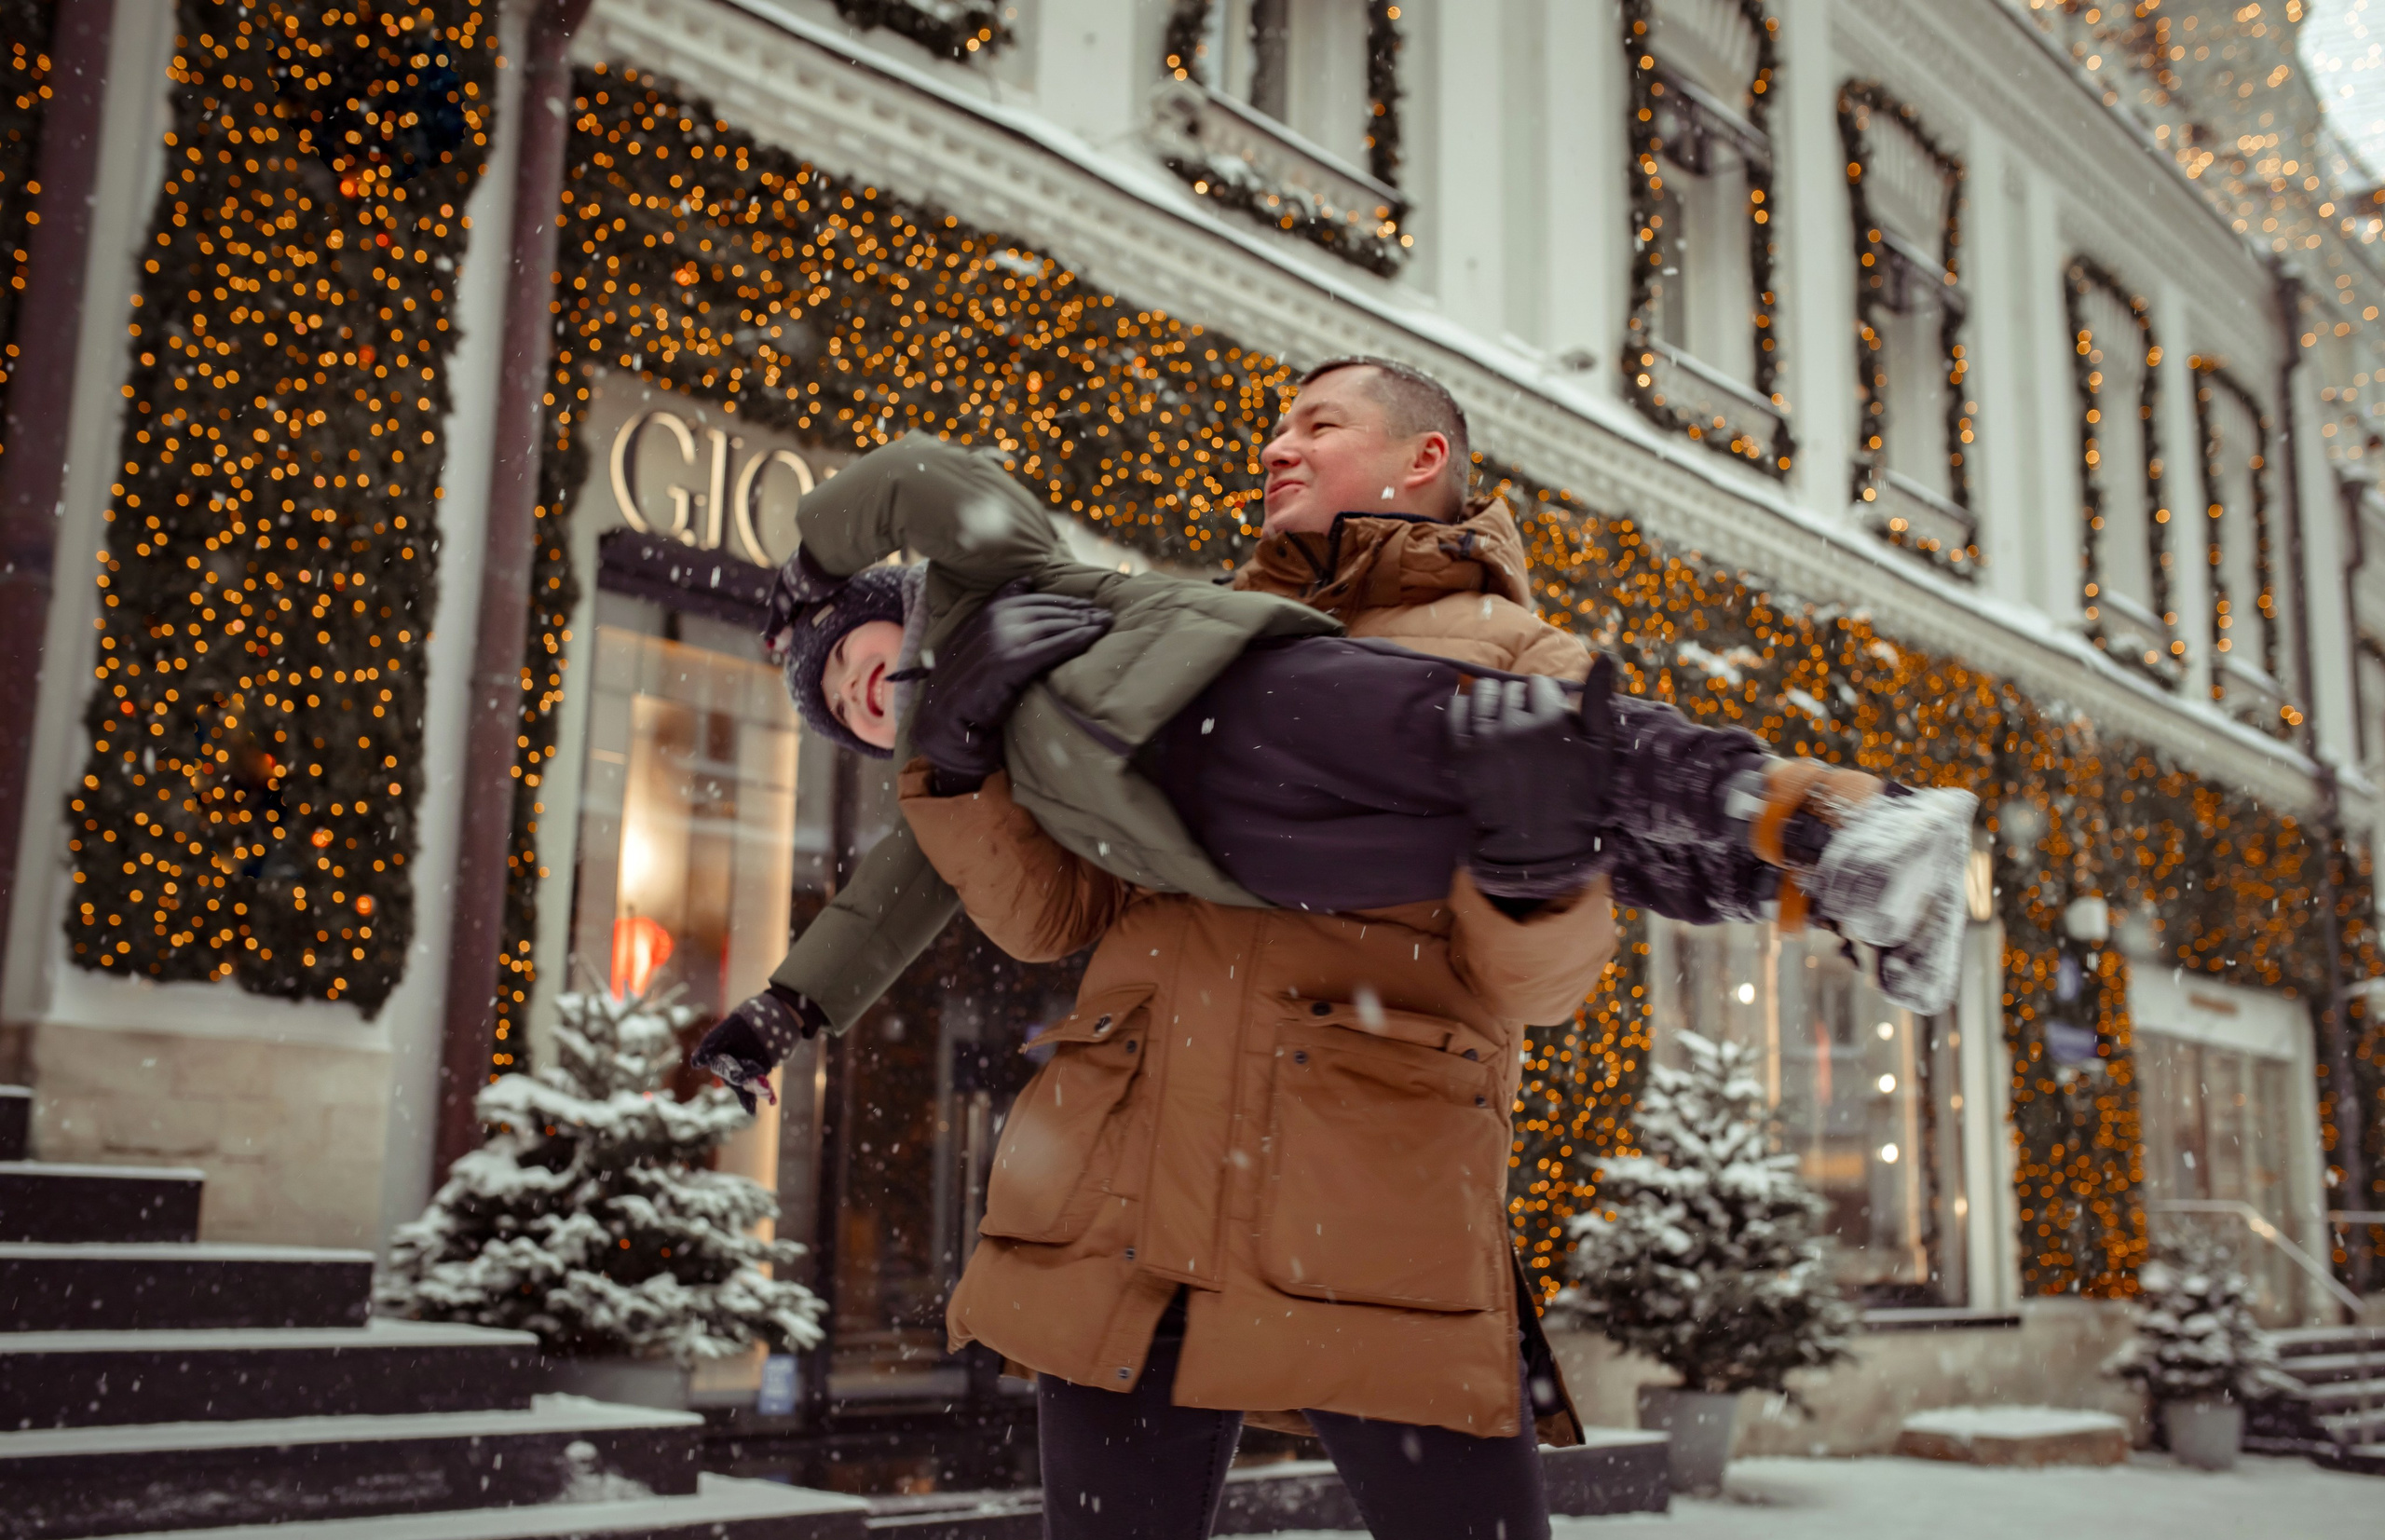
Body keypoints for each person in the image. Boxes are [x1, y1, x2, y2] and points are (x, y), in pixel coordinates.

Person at [687, 359, 1971, 1540]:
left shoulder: (1492, 651)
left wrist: (1531, 874)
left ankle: (1833, 843)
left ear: (1424, 460)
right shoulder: (1182, 641)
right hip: (1120, 1211)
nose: (1275, 446)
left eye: (1316, 425)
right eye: (1275, 428)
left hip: (1365, 1216)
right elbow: (1036, 918)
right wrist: (949, 775)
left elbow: (1545, 981)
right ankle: (1838, 869)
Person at [688, 366, 1969, 1112]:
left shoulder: (987, 576)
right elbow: (891, 904)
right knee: (1541, 831)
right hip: (1246, 854)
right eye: (839, 710)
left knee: (1525, 738)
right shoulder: (940, 775)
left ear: (888, 612)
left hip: (1232, 696)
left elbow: (931, 481)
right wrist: (781, 1015)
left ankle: (1826, 821)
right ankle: (1829, 896)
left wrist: (813, 551)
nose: (858, 700)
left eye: (849, 663)